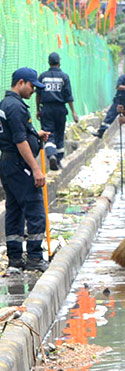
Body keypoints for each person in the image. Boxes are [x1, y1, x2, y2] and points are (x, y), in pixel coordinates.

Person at [0, 69, 51, 273]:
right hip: (20, 165)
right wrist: (36, 169)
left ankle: (14, 258)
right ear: (21, 83)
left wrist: (35, 135)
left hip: (9, 163)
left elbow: (18, 133)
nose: (33, 91)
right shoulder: (15, 107)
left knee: (14, 209)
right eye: (31, 86)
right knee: (35, 208)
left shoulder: (7, 104)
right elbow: (20, 141)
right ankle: (34, 257)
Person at [37, 51, 78, 170]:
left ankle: (51, 156)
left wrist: (38, 109)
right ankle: (59, 160)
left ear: (49, 62)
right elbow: (68, 96)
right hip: (60, 109)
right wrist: (73, 112)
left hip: (47, 109)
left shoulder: (43, 76)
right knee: (60, 134)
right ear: (59, 63)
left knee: (49, 134)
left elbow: (38, 94)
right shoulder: (64, 77)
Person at [96, 72, 125, 139]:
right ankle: (100, 132)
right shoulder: (124, 77)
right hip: (120, 100)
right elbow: (118, 86)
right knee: (110, 116)